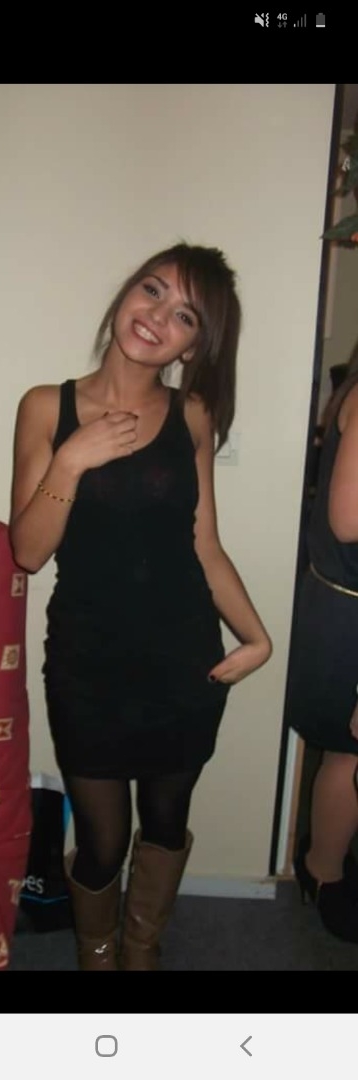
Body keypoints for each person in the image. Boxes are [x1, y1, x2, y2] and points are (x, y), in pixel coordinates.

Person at [10, 242, 272, 971]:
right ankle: (98, 950)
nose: (158, 316)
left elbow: (205, 546)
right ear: (128, 290)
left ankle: (142, 948)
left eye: (185, 315)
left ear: (195, 346)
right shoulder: (47, 406)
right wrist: (72, 458)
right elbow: (28, 551)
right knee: (103, 842)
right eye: (153, 290)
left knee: (165, 819)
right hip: (87, 665)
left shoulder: (193, 416)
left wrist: (256, 638)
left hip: (182, 661)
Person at [288, 334, 358, 942]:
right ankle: (322, 870)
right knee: (350, 750)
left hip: (341, 601)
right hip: (350, 610)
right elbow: (349, 518)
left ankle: (327, 854)